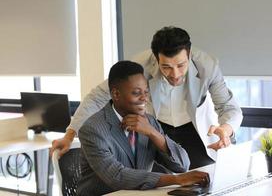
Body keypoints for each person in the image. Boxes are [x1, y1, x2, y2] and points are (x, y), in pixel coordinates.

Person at [52, 26, 243, 169]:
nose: (175, 74)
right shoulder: (139, 66)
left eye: (181, 65)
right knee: (156, 184)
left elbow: (228, 107)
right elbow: (97, 96)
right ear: (155, 58)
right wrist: (70, 135)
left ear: (190, 54)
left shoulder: (207, 66)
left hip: (195, 132)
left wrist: (226, 128)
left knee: (204, 182)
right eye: (166, 67)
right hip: (157, 130)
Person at [77, 61, 209, 195]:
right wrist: (176, 179)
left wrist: (153, 133)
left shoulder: (149, 121)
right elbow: (117, 176)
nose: (144, 98)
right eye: (136, 93)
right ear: (116, 94)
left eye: (146, 92)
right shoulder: (92, 129)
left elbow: (182, 165)